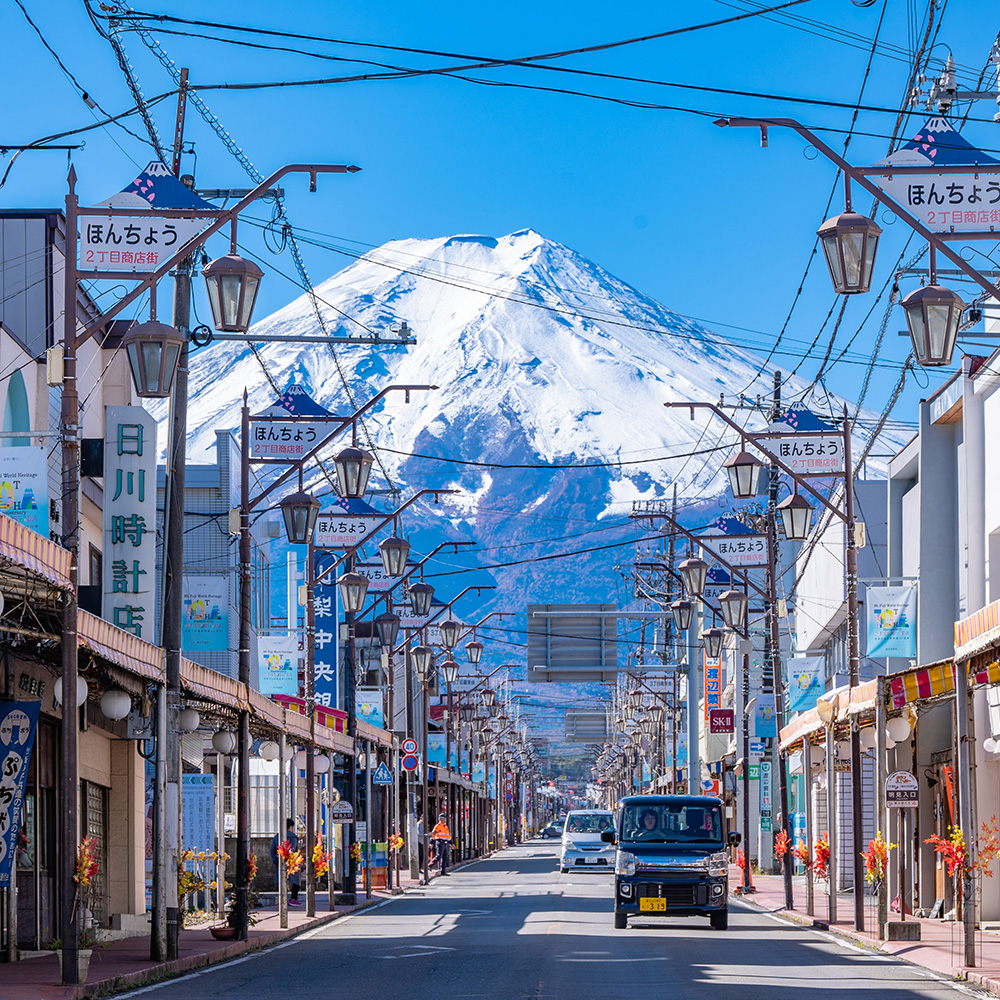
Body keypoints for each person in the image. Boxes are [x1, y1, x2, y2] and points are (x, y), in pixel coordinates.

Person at [270, 818, 302, 905]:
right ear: (290, 826)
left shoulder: (277, 837)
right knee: (296, 880)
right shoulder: (293, 836)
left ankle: (282, 898)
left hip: (280, 861)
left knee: (282, 879)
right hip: (292, 863)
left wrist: (275, 859)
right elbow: (294, 850)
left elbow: (272, 850)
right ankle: (293, 899)